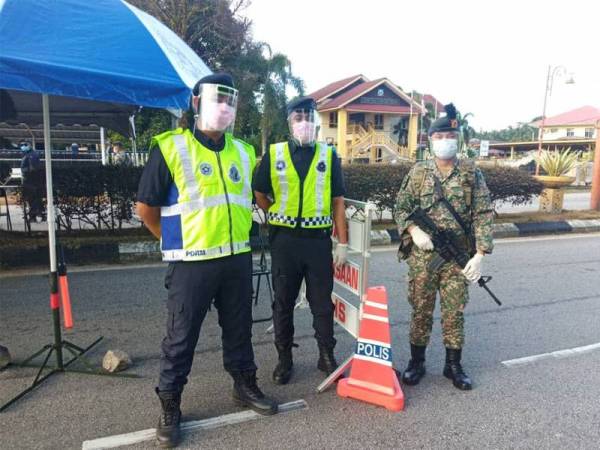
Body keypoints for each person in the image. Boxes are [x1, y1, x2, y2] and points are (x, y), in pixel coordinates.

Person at [136, 73, 277, 448]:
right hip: (192, 264)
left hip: (235, 259)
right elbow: (145, 209)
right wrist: (173, 244)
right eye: (217, 99)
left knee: (239, 329)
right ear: (196, 103)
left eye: (230, 101)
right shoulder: (170, 148)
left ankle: (244, 384)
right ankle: (170, 405)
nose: (224, 107)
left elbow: (252, 200)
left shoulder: (244, 153)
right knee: (180, 339)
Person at [394, 103, 494, 391]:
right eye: (438, 137)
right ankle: (417, 362)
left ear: (457, 139)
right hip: (423, 258)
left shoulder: (470, 173)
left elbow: (484, 213)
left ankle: (453, 366)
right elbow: (401, 207)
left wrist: (479, 255)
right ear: (431, 141)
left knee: (454, 311)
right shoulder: (418, 173)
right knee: (421, 309)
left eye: (449, 136)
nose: (444, 142)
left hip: (457, 258)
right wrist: (413, 230)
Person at [253, 96, 349, 385]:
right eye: (298, 117)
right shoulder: (275, 153)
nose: (304, 122)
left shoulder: (328, 155)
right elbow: (259, 193)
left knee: (322, 303)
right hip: (285, 243)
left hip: (318, 243)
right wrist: (276, 216)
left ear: (316, 121)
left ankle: (326, 355)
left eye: (309, 116)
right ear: (289, 122)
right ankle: (284, 359)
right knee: (283, 302)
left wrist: (341, 242)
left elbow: (338, 202)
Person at [19, 141, 44, 222]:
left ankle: (34, 216)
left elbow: (33, 168)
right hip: (32, 181)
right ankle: (39, 214)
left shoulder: (32, 155)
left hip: (31, 181)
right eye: (21, 145)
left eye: (25, 145)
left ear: (30, 145)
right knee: (35, 199)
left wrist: (26, 172)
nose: (23, 146)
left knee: (33, 199)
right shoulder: (27, 155)